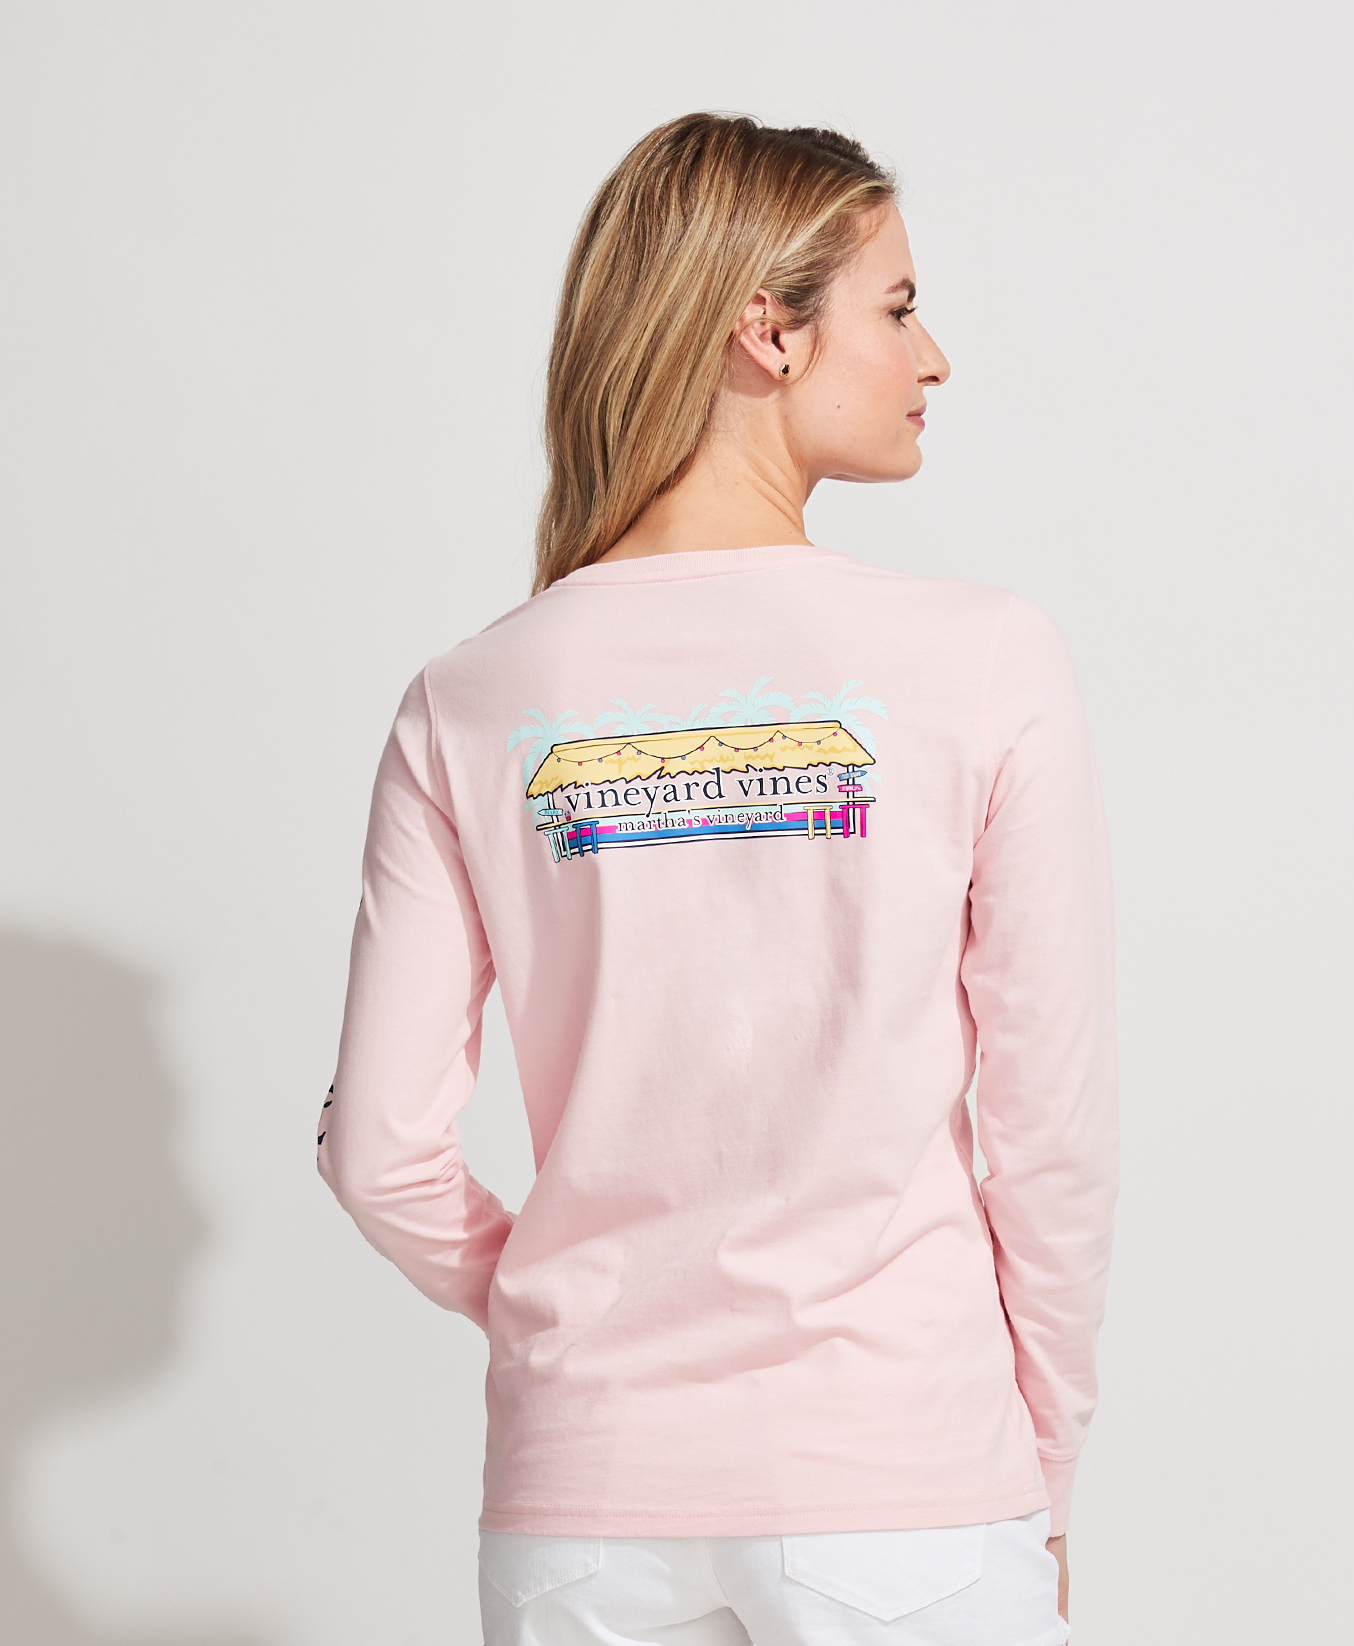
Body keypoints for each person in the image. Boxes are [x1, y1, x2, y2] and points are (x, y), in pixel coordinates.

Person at [318, 112, 1117, 1646]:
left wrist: (559, 1309)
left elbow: (377, 1154)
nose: (934, 356)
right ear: (769, 329)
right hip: (906, 1491)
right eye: (897, 307)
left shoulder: (468, 696)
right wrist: (1049, 1468)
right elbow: (1051, 1129)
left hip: (579, 1514)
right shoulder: (983, 658)